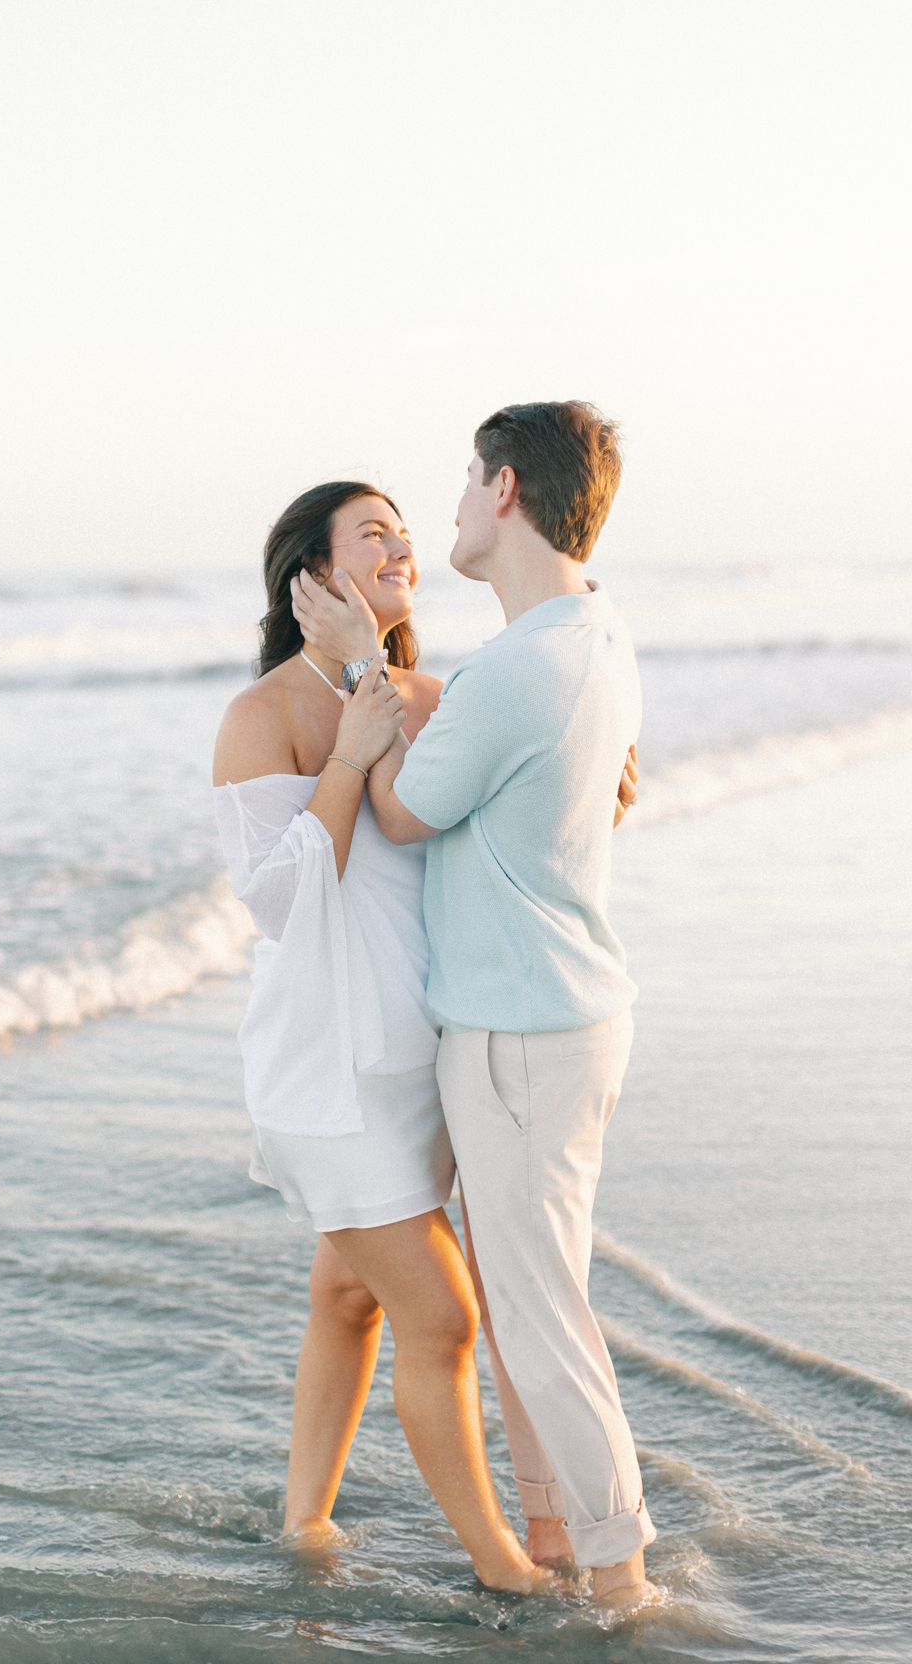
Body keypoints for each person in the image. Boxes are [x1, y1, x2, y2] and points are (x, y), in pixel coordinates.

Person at [214, 479, 636, 1591]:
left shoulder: (440, 694)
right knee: (442, 1318)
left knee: (349, 1292)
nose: (403, 549)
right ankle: (503, 1566)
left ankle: (304, 1524)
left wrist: (596, 771)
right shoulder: (262, 717)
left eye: (407, 533)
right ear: (312, 576)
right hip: (331, 1068)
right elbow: (280, 906)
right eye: (373, 536)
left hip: (435, 1055)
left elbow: (508, 800)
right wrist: (349, 754)